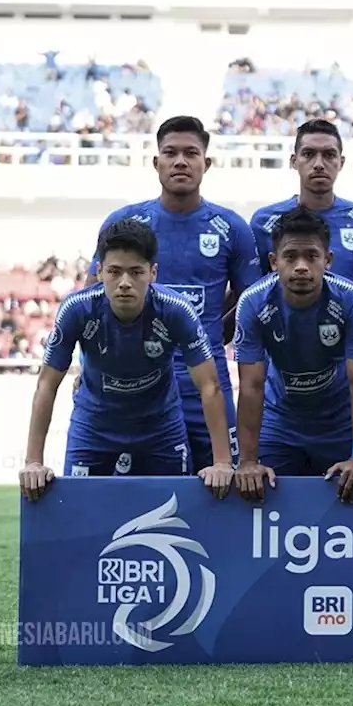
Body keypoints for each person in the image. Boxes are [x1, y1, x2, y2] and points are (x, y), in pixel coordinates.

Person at [86, 115, 258, 472]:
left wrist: (209, 337)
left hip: (208, 382)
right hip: (139, 385)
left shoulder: (232, 228)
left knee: (227, 486)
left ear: (206, 163)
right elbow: (92, 303)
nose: (181, 161)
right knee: (145, 490)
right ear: (156, 162)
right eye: (171, 153)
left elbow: (252, 304)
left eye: (191, 153)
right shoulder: (126, 223)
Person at [19, 220, 234, 501]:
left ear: (152, 272)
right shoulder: (76, 309)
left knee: (177, 516)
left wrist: (221, 463)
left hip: (161, 429)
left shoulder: (176, 310)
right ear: (99, 272)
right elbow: (47, 385)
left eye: (136, 272)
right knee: (81, 517)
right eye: (114, 272)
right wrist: (33, 461)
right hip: (93, 428)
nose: (124, 283)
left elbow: (210, 386)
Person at [232, 208, 353, 504]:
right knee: (266, 502)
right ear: (274, 262)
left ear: (328, 260)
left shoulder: (351, 299)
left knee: (346, 507)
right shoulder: (253, 302)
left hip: (339, 423)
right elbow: (251, 386)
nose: (300, 267)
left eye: (311, 256)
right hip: (280, 423)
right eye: (290, 257)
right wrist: (247, 461)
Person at [248, 119, 353, 291]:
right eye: (309, 154)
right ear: (294, 161)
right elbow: (251, 290)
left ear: (341, 162)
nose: (318, 164)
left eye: (329, 155)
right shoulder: (264, 221)